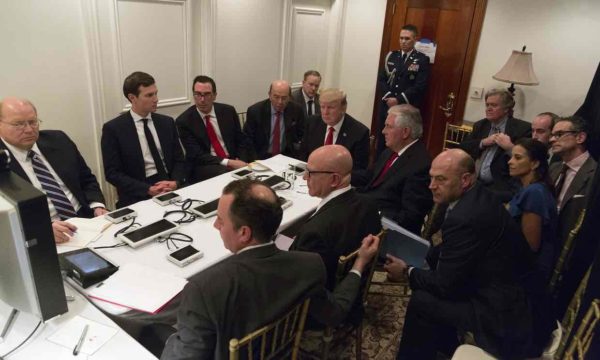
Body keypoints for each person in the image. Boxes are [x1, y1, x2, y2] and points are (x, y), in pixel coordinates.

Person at [160, 178, 380, 360]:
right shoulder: (310, 265)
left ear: (244, 233)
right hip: (282, 352)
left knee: (149, 331)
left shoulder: (203, 289)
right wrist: (359, 264)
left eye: (220, 220)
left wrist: (170, 337)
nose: (216, 226)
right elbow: (335, 313)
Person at [385, 148, 532, 360]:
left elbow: (445, 285)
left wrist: (407, 272)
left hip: (501, 309)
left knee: (422, 301)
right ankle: (444, 348)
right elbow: (452, 247)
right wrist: (424, 255)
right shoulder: (475, 196)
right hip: (500, 285)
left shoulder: (465, 216)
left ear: (465, 180)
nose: (431, 186)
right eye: (431, 178)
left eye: (441, 179)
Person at [0, 97, 108, 243]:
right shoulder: (2, 160)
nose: (29, 130)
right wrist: (42, 228)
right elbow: (5, 221)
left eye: (33, 122)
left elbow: (86, 179)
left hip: (86, 221)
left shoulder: (59, 140)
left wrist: (97, 205)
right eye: (19, 124)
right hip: (41, 236)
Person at [290, 145, 381, 290]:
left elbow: (299, 282)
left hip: (326, 302)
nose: (304, 177)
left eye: (310, 173)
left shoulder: (314, 232)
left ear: (334, 180)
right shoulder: (369, 204)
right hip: (355, 288)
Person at [101, 71, 187, 208]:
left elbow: (179, 159)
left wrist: (175, 182)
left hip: (170, 182)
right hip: (138, 191)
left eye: (156, 93)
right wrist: (147, 189)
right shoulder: (114, 129)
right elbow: (112, 173)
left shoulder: (166, 122)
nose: (156, 99)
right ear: (132, 98)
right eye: (149, 95)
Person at [507, 138, 558, 356]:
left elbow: (530, 246)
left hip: (527, 278)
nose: (510, 162)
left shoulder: (535, 193)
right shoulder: (529, 189)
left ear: (535, 163)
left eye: (518, 158)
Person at [355, 104, 432, 235]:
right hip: (365, 208)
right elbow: (370, 176)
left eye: (388, 126)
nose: (383, 131)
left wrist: (369, 213)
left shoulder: (420, 165)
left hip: (382, 229)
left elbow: (410, 217)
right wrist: (341, 174)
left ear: (405, 132)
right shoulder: (390, 151)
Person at [548, 115, 597, 317]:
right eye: (552, 134)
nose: (552, 139)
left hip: (574, 250)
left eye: (559, 134)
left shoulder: (595, 174)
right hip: (548, 243)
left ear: (580, 137)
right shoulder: (554, 168)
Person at [460, 88, 531, 202]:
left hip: (500, 186)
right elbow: (463, 147)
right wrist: (482, 143)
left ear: (506, 109)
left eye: (493, 105)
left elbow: (528, 160)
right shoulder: (481, 125)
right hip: (474, 181)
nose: (488, 108)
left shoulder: (522, 129)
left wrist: (510, 148)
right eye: (487, 105)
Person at [176, 75, 250, 182]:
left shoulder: (228, 111)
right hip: (204, 165)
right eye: (197, 94)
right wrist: (229, 163)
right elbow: (198, 155)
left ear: (215, 95)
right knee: (227, 175)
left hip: (232, 159)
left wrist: (241, 159)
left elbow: (241, 140)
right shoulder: (184, 121)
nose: (202, 100)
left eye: (207, 94)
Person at [376, 24, 430, 156]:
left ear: (415, 39)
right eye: (401, 38)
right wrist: (389, 97)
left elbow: (420, 86)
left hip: (406, 108)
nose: (403, 41)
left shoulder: (421, 59)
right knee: (383, 140)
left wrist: (398, 100)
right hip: (387, 106)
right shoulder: (391, 56)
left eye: (407, 38)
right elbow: (382, 79)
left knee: (401, 142)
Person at [300, 88, 369, 175]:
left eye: (330, 107)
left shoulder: (359, 132)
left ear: (343, 108)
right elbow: (303, 155)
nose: (325, 112)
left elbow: (360, 172)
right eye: (322, 107)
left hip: (340, 182)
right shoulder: (312, 123)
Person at [243, 80, 305, 160]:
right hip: (261, 157)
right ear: (269, 95)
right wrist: (255, 161)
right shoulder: (255, 111)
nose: (280, 102)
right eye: (276, 97)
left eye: (284, 98)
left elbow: (302, 135)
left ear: (289, 97)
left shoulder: (296, 110)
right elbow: (247, 140)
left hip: (286, 156)